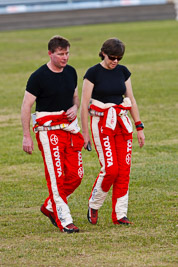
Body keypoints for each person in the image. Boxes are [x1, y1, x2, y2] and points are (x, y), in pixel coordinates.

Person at [21, 35, 84, 233]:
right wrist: (26, 136)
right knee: (56, 177)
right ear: (50, 54)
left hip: (69, 129)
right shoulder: (38, 77)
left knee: (76, 175)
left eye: (67, 53)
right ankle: (65, 221)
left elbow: (75, 98)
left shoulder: (71, 72)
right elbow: (26, 106)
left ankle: (49, 206)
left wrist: (75, 107)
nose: (64, 58)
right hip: (48, 132)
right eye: (60, 54)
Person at [80, 38, 145, 226]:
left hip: (121, 123)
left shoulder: (123, 71)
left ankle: (120, 214)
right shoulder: (92, 73)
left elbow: (130, 98)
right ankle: (94, 204)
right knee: (111, 169)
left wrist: (139, 126)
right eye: (112, 57)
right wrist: (85, 134)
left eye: (119, 58)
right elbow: (84, 106)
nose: (115, 61)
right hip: (101, 123)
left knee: (124, 170)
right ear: (103, 53)